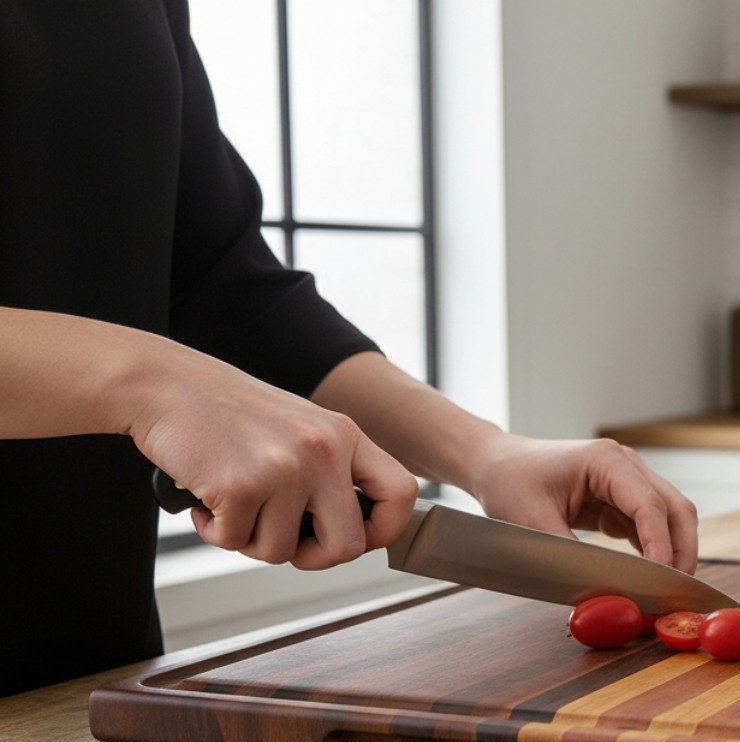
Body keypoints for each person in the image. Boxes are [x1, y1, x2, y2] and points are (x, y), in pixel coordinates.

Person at [0, 1, 697, 697]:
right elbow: (171, 363)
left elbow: (223, 290)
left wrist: (485, 455)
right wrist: (152, 384)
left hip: (86, 681)